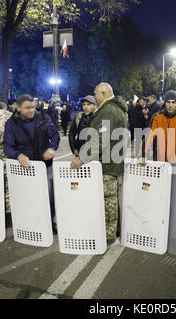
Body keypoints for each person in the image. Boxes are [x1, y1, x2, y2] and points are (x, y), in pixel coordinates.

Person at [70, 83, 128, 246]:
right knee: (111, 198)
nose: (94, 96)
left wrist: (82, 157)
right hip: (112, 160)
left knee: (107, 199)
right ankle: (113, 230)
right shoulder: (114, 108)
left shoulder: (109, 111)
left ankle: (108, 234)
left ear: (103, 93)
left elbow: (101, 140)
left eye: (96, 93)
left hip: (107, 163)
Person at [3, 94, 60, 221]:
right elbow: (8, 147)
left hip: (45, 165)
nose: (32, 110)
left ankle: (49, 220)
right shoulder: (11, 124)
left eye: (33, 107)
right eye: (28, 108)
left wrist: (52, 148)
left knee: (49, 193)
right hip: (25, 167)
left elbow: (55, 135)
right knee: (28, 196)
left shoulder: (43, 117)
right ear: (18, 108)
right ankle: (30, 220)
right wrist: (18, 155)